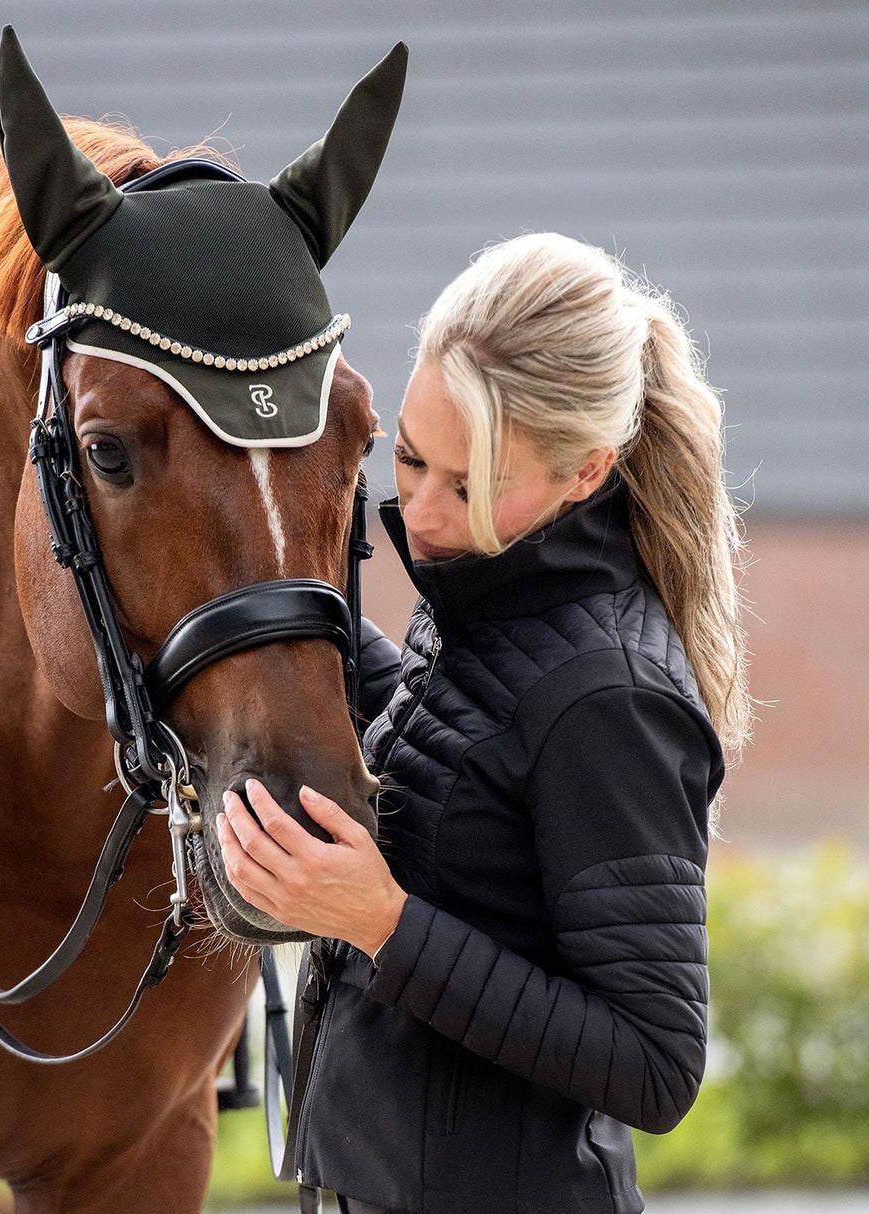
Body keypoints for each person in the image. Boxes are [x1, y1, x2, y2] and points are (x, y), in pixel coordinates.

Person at [216, 231, 752, 1214]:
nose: (415, 508)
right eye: (410, 458)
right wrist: (292, 594)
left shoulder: (609, 699)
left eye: (462, 484)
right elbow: (453, 750)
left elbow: (654, 1061)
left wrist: (377, 920)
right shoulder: (495, 585)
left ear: (582, 472)